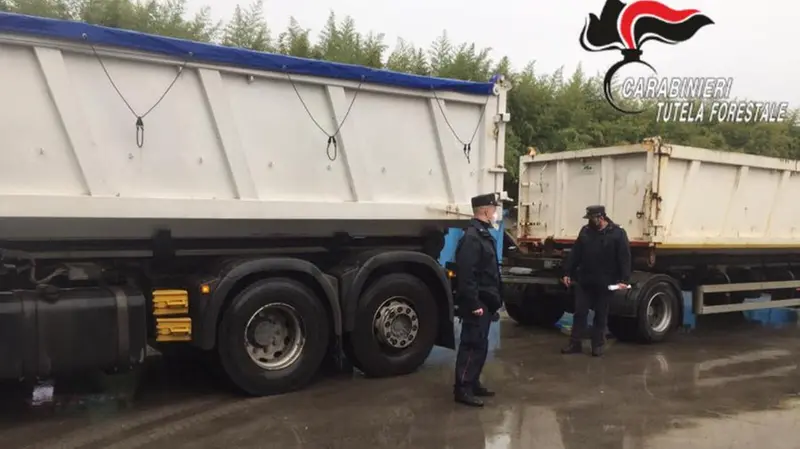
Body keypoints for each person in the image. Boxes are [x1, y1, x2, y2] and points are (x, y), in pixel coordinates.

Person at [453, 193, 504, 407]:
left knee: (481, 344)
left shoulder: (482, 234)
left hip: (486, 300)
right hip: (478, 301)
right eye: (493, 208)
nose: (495, 212)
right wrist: (473, 304)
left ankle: (473, 382)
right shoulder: (472, 237)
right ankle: (462, 388)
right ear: (485, 210)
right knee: (472, 345)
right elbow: (466, 275)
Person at [561, 205, 631, 357]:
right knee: (580, 313)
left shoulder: (617, 234)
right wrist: (568, 272)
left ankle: (598, 345)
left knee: (600, 314)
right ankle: (575, 344)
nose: (590, 221)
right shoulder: (585, 232)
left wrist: (624, 279)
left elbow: (624, 258)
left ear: (601, 217)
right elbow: (575, 253)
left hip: (605, 282)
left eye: (592, 218)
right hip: (585, 280)